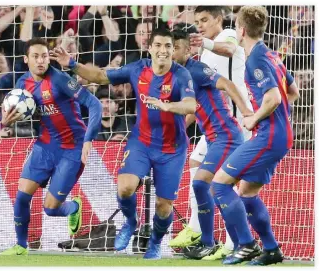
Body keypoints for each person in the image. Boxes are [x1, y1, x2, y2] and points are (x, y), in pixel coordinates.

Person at [48, 27, 196, 259]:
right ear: (150, 48)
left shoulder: (181, 75)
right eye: (158, 45)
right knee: (125, 188)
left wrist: (168, 106)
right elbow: (100, 77)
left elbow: (190, 105)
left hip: (172, 148)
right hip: (142, 142)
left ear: (172, 49)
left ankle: (155, 243)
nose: (163, 51)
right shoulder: (138, 68)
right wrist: (72, 64)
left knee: (164, 206)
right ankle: (130, 222)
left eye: (168, 46)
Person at [211, 6, 300, 265]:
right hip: (280, 134)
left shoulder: (255, 61)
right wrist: (279, 116)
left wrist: (253, 118)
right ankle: (271, 249)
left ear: (241, 30)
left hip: (268, 135)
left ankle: (246, 245)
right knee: (247, 193)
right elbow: (292, 92)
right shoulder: (272, 55)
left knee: (220, 184)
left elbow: (272, 98)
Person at [0, 37, 102, 255]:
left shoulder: (60, 80)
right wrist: (7, 123)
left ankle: (74, 206)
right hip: (45, 146)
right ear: (26, 59)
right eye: (35, 56)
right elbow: (15, 115)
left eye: (44, 56)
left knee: (50, 208)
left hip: (72, 148)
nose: (40, 61)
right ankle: (21, 246)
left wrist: (88, 139)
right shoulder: (21, 87)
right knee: (21, 197)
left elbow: (95, 104)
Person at [170, 6, 253, 259]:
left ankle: (234, 243)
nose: (200, 25)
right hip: (214, 131)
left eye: (205, 20)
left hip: (237, 124)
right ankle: (201, 232)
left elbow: (227, 53)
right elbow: (196, 103)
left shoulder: (227, 35)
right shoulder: (199, 61)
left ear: (218, 19)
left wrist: (248, 112)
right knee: (199, 171)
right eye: (197, 21)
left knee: (225, 185)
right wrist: (179, 129)